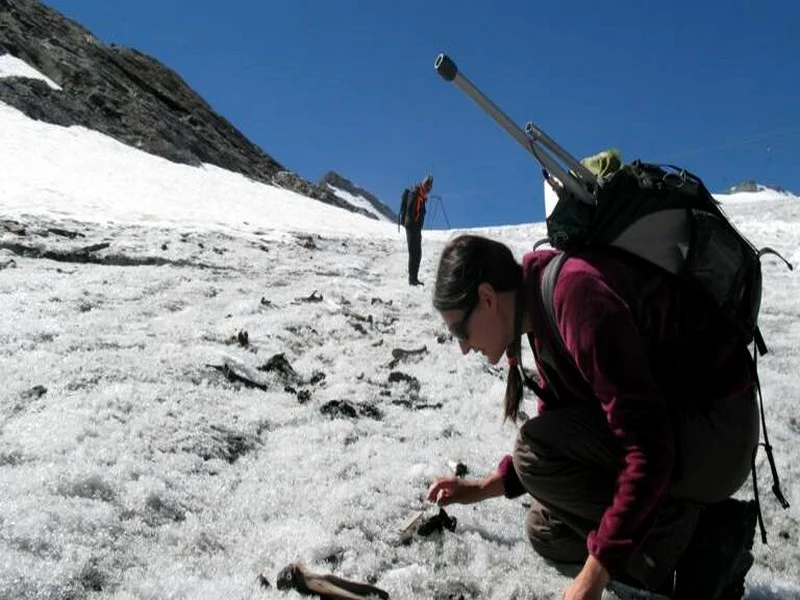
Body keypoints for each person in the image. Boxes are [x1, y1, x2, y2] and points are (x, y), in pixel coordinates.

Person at [426, 234, 760, 600]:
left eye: (460, 330)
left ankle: (703, 538)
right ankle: (664, 548)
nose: (462, 347)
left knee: (533, 452)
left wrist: (594, 575)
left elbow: (648, 449)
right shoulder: (538, 313)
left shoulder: (576, 296)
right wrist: (480, 488)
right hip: (682, 429)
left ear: (487, 298)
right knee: (545, 530)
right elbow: (564, 423)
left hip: (717, 431)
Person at [398, 174, 433, 286]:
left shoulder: (421, 195)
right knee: (415, 253)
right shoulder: (416, 193)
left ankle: (414, 278)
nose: (429, 190)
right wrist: (413, 226)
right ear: (425, 184)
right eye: (428, 187)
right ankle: (412, 280)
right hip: (412, 228)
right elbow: (411, 211)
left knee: (416, 253)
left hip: (414, 228)